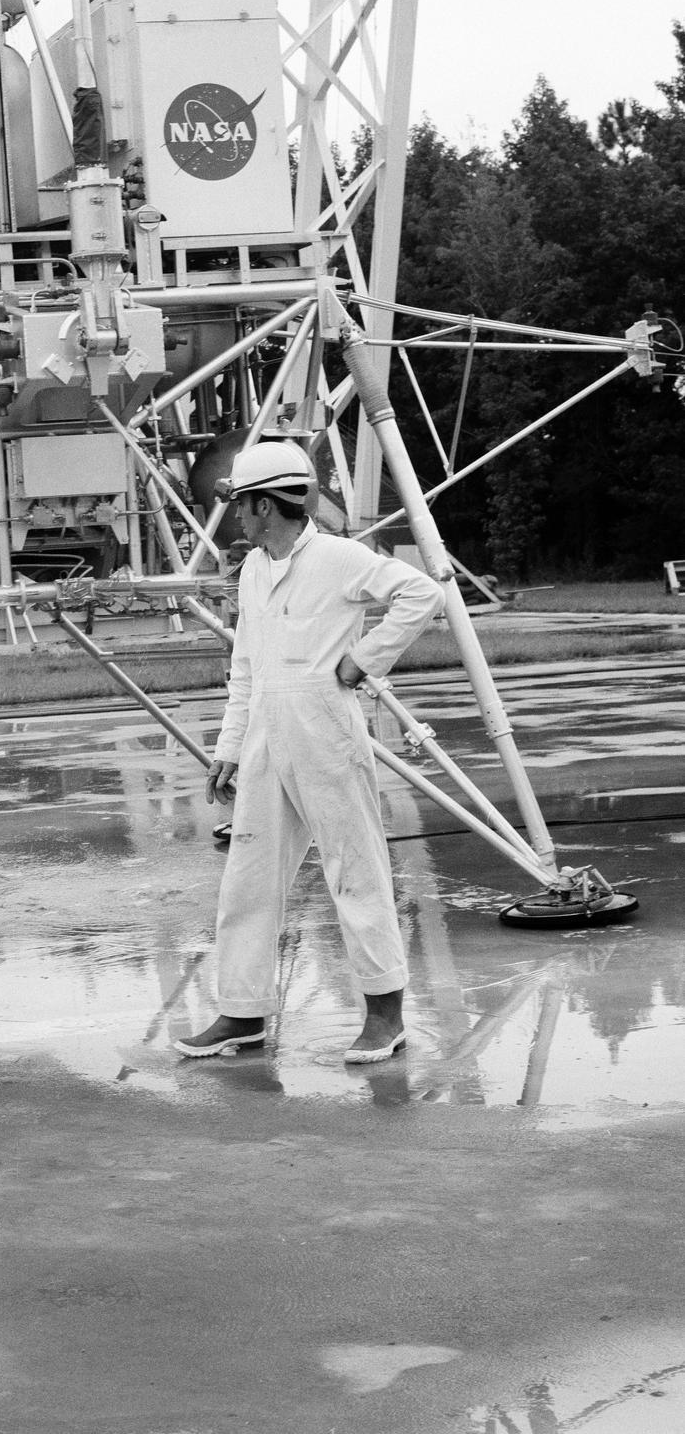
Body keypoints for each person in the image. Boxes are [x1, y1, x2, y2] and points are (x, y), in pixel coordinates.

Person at [175, 441, 443, 1065]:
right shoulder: (254, 569)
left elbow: (420, 594)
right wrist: (230, 746)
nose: (236, 515)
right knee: (247, 880)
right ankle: (241, 1013)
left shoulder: (339, 558)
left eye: (241, 503)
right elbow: (245, 666)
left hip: (325, 731)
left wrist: (362, 661)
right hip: (266, 738)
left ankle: (385, 1016)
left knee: (355, 871)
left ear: (266, 504)